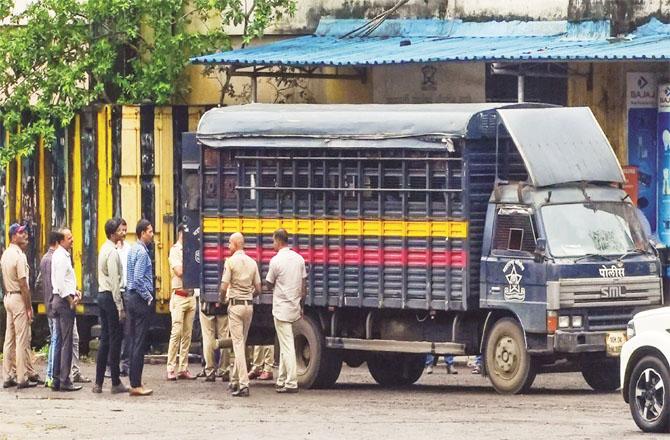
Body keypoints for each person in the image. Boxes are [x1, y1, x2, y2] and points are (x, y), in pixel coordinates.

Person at [217, 232, 260, 397]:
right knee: (241, 343)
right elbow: (259, 288)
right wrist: (249, 296)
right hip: (249, 306)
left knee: (238, 345)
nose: (228, 246)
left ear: (235, 244)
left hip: (235, 306)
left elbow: (223, 286)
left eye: (229, 243)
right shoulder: (252, 263)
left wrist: (222, 300)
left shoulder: (230, 262)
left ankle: (243, 384)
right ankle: (234, 380)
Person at [266, 228, 306, 394]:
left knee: (288, 346)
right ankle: (281, 379)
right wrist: (301, 304)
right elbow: (304, 286)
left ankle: (291, 382)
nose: (272, 244)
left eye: (273, 241)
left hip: (281, 308)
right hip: (294, 307)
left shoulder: (276, 261)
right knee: (285, 344)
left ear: (278, 241)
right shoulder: (299, 259)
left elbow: (269, 283)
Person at [93, 218, 128, 394]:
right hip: (110, 297)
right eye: (120, 231)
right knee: (115, 340)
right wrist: (120, 306)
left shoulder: (103, 248)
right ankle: (115, 381)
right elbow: (115, 282)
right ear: (113, 233)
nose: (123, 233)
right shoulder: (113, 253)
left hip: (101, 295)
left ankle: (98, 382)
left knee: (105, 339)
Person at [1, 223, 36, 389]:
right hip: (18, 298)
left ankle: (7, 375)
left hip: (8, 296)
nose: (25, 235)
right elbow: (23, 284)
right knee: (22, 339)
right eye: (21, 232)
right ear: (13, 236)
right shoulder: (19, 256)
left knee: (9, 339)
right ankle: (22, 377)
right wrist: (29, 307)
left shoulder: (6, 254)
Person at [125, 219, 155, 396]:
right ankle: (136, 384)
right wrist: (148, 296)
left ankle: (134, 380)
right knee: (139, 342)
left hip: (131, 298)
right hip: (139, 299)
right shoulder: (142, 253)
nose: (152, 234)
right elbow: (137, 278)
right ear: (142, 233)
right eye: (150, 231)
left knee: (134, 340)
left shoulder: (132, 249)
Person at [51, 228, 83, 392]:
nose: (72, 239)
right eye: (69, 237)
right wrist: (71, 300)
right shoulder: (62, 257)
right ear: (61, 240)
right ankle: (65, 380)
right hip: (64, 302)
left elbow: (64, 281)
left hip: (59, 300)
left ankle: (56, 378)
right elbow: (61, 284)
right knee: (66, 343)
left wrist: (75, 290)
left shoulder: (59, 255)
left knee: (59, 341)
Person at [166, 224, 197, 380]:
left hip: (191, 295)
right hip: (179, 295)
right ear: (180, 234)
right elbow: (179, 271)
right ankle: (170, 367)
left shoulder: (191, 250)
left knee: (187, 335)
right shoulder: (175, 250)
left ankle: (183, 368)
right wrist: (193, 267)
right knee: (176, 333)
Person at [35, 230, 64, 388]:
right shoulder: (55, 259)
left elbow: (39, 283)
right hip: (55, 304)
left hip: (47, 303)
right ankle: (51, 375)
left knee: (54, 338)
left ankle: (50, 374)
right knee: (56, 339)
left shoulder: (44, 259)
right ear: (58, 243)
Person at [199, 301, 234, 382]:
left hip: (206, 305)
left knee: (208, 337)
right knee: (224, 337)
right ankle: (224, 370)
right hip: (223, 305)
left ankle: (210, 371)